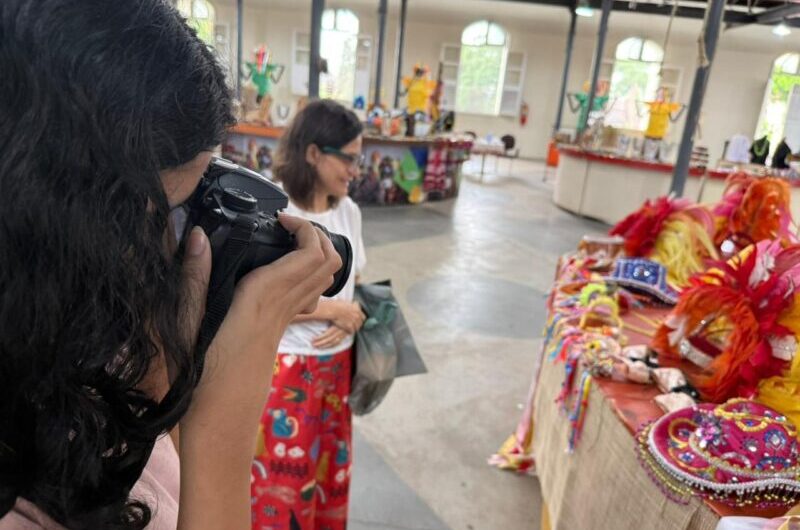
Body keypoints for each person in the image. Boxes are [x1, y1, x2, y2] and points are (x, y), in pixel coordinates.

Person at [0, 1, 341, 529]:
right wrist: (222, 413)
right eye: (172, 213)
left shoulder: (76, 343)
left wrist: (164, 383)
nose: (181, 247)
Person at [251, 100, 367, 530]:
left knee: (328, 482)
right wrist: (333, 309)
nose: (356, 169)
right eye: (349, 158)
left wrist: (352, 313)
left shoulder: (349, 212)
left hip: (337, 371)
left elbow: (356, 283)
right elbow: (255, 301)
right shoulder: (276, 211)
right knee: (281, 489)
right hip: (286, 372)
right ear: (314, 153)